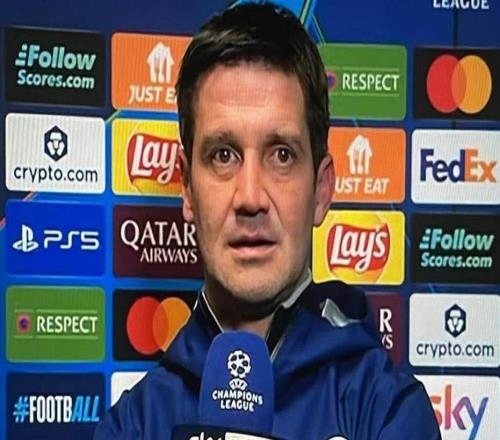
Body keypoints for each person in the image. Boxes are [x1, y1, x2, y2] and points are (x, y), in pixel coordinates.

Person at [95, 3, 440, 439]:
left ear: (321, 190)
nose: (251, 197)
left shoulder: (387, 410)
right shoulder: (133, 425)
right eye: (223, 155)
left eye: (281, 155)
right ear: (187, 188)